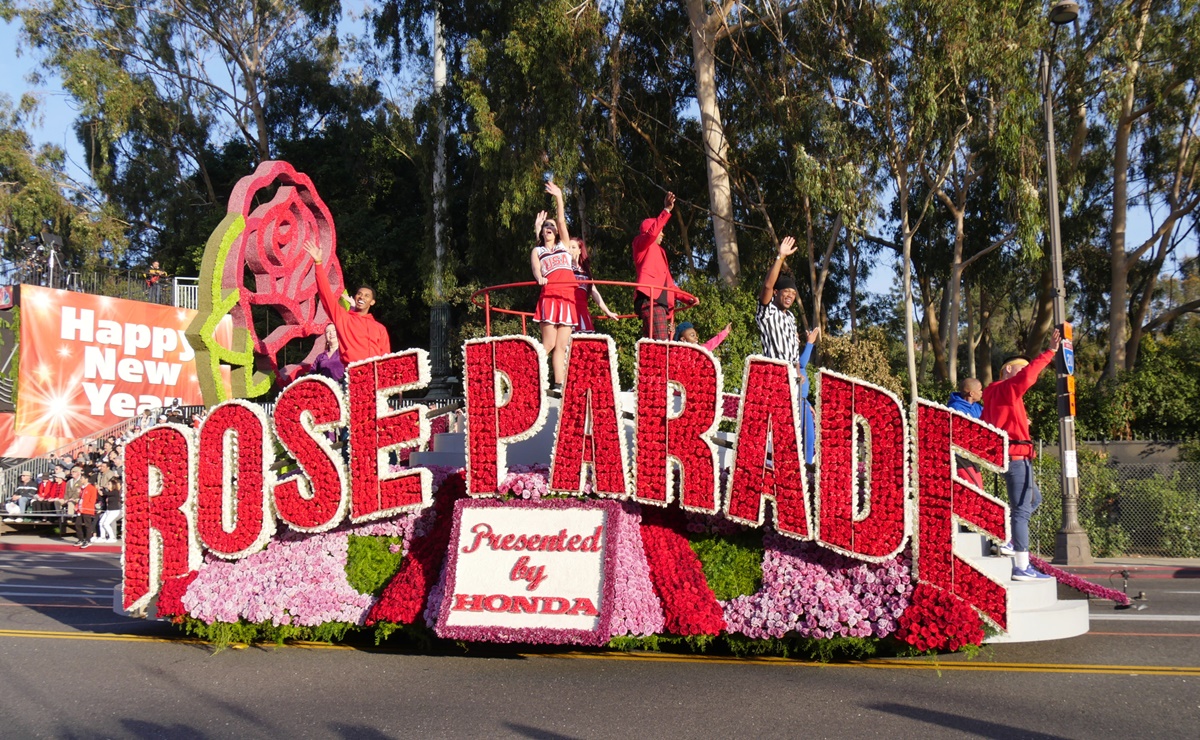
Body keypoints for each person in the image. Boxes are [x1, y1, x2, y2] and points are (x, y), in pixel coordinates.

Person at [980, 329, 1062, 582]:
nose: (1025, 370)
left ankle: (1009, 542)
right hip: (1016, 457)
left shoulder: (993, 393)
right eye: (1020, 367)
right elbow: (1028, 376)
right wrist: (1049, 352)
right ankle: (1021, 565)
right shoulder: (1007, 388)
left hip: (1011, 455)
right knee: (1021, 511)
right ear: (1006, 370)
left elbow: (987, 423)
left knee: (1032, 499)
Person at [756, 236, 820, 463]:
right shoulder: (767, 313)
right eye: (786, 293)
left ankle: (808, 465)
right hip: (775, 381)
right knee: (781, 429)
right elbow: (766, 285)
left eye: (793, 294)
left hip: (795, 382)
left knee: (807, 422)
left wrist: (800, 371)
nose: (790, 296)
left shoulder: (791, 319)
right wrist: (780, 256)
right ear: (776, 294)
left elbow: (795, 357)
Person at [301, 239, 391, 363]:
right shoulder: (343, 319)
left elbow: (387, 360)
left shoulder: (380, 329)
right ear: (355, 297)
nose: (361, 297)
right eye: (359, 294)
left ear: (372, 302)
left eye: (366, 296)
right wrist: (318, 263)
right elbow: (326, 294)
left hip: (376, 378)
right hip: (352, 377)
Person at [530, 181, 577, 391]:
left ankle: (559, 385)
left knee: (561, 346)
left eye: (552, 227)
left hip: (567, 298)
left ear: (556, 232)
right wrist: (540, 277)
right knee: (548, 344)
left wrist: (559, 197)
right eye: (545, 227)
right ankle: (526, 371)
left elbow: (561, 220)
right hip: (550, 296)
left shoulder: (564, 246)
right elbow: (536, 269)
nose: (549, 228)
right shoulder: (538, 251)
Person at [632, 191, 681, 339]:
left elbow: (669, 284)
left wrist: (688, 298)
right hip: (651, 299)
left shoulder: (660, 252)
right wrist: (666, 210)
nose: (662, 235)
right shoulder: (641, 244)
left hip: (660, 302)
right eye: (661, 231)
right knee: (661, 344)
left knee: (654, 346)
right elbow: (652, 234)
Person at [567, 237, 619, 332]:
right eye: (568, 247)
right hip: (568, 309)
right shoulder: (565, 268)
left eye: (573, 247)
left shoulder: (586, 272)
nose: (569, 250)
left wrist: (607, 311)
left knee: (584, 342)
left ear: (579, 250)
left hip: (582, 310)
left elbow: (594, 292)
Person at [74, 474, 101, 548]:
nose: (81, 480)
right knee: (77, 524)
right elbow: (80, 499)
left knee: (87, 525)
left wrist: (85, 507)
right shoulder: (82, 488)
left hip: (87, 510)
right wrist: (77, 506)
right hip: (80, 509)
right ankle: (81, 539)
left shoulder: (91, 488)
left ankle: (88, 540)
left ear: (86, 479)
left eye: (82, 478)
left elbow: (92, 501)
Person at [96, 476, 123, 543]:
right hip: (108, 510)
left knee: (106, 523)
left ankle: (112, 537)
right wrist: (100, 491)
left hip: (114, 511)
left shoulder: (115, 492)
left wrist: (102, 489)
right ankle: (102, 537)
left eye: (109, 484)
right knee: (101, 522)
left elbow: (106, 493)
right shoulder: (110, 493)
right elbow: (104, 495)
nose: (107, 485)